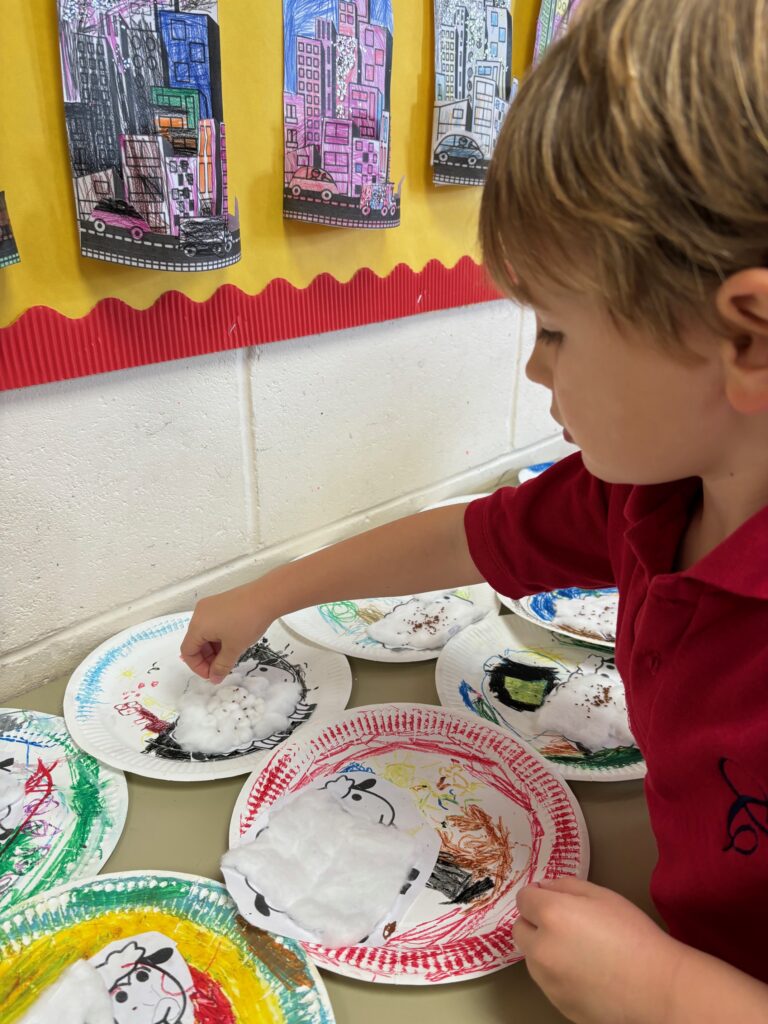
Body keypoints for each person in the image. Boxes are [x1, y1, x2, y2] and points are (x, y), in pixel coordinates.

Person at [181, 0, 768, 1018]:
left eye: (556, 330)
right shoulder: (650, 492)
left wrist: (673, 991)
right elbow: (470, 535)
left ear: (749, 338)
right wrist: (276, 589)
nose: (535, 369)